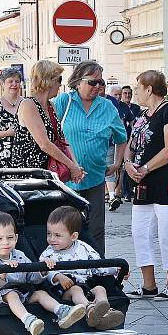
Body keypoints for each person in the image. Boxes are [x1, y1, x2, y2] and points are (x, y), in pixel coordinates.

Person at [123, 70, 168, 301]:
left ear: (149, 89)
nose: (136, 91)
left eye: (138, 87)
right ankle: (148, 285)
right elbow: (131, 143)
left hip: (165, 183)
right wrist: (129, 163)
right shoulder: (142, 114)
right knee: (141, 234)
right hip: (142, 184)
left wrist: (146, 168)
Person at [53, 60, 126, 257]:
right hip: (65, 180)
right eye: (92, 82)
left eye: (100, 83)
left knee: (95, 230)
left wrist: (117, 163)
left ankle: (96, 270)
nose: (98, 87)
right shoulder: (63, 102)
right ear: (77, 82)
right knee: (63, 228)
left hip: (95, 177)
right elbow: (45, 132)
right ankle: (65, 268)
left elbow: (122, 137)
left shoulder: (108, 107)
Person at [0, 212, 86, 335]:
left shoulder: (19, 255)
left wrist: (42, 269)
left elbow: (32, 277)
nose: (6, 242)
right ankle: (28, 320)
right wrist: (2, 275)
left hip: (24, 293)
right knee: (11, 294)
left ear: (16, 238)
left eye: (10, 237)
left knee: (41, 294)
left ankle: (62, 311)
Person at [40, 206, 125, 330]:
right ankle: (90, 311)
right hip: (64, 291)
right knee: (76, 290)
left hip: (86, 286)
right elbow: (43, 272)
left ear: (73, 236)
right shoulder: (48, 254)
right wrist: (57, 276)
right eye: (49, 234)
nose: (52, 239)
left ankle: (104, 313)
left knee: (100, 289)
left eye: (57, 235)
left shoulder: (83, 248)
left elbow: (98, 265)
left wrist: (116, 270)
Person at [14, 60, 85, 180]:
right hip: (30, 175)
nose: (60, 85)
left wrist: (75, 165)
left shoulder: (51, 106)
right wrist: (71, 166)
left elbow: (62, 139)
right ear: (49, 81)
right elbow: (44, 144)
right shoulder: (28, 105)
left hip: (50, 174)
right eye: (59, 79)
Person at [116, 85, 143, 202]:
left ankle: (129, 190)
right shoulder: (119, 106)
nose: (127, 95)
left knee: (131, 164)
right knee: (122, 166)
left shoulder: (136, 108)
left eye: (129, 93)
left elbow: (134, 123)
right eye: (125, 93)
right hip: (121, 140)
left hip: (132, 140)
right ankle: (122, 191)